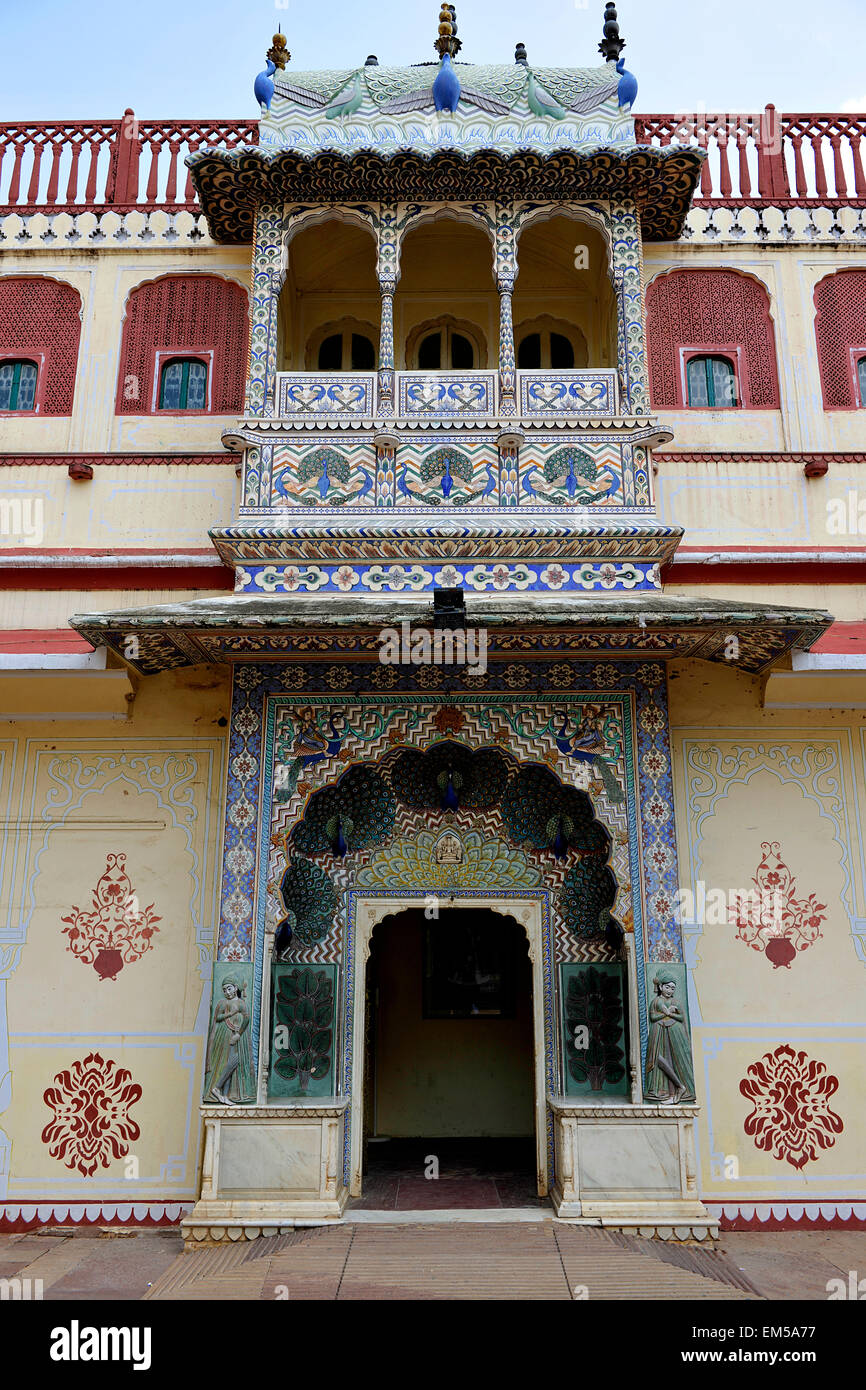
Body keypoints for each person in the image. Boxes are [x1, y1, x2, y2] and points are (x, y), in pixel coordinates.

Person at [644, 972, 695, 1104]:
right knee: (658, 1059)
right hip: (658, 1032)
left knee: (675, 1060)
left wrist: (670, 1014)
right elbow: (653, 1018)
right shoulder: (655, 1001)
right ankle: (673, 1089)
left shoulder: (675, 1002)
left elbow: (681, 1018)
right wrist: (665, 1013)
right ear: (660, 987)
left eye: (672, 988)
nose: (670, 990)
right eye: (667, 987)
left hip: (674, 1032)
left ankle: (679, 1089)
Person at [204, 976, 254, 1104]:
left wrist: (239, 1034)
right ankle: (217, 1089)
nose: (227, 992)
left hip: (237, 1035)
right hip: (224, 1034)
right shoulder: (223, 1003)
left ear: (235, 988)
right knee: (229, 1062)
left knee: (233, 1063)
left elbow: (247, 1019)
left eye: (229, 988)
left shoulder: (241, 1003)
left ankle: (223, 1093)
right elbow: (217, 1018)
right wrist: (230, 1014)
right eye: (224, 990)